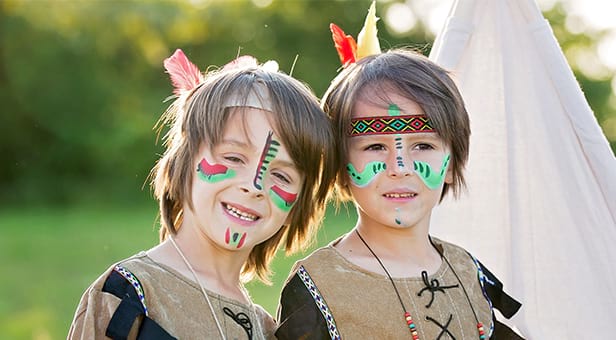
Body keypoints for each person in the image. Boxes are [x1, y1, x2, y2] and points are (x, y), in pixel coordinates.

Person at [275, 5, 523, 339]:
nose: (399, 168)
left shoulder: (468, 272)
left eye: (423, 146)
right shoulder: (318, 285)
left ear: (452, 164)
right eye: (375, 147)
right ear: (340, 166)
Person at [68, 49, 337, 339]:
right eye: (234, 158)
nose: (254, 186)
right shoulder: (128, 296)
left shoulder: (266, 330)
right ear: (184, 162)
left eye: (282, 175)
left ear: (297, 206)